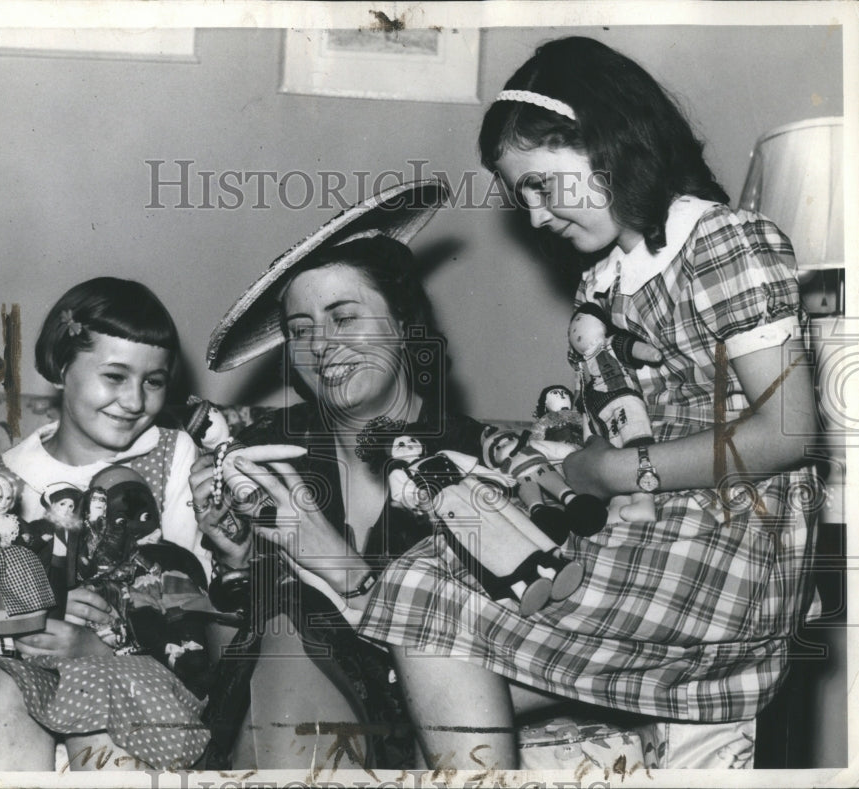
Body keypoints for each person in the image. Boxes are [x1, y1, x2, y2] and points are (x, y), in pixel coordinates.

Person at [342, 36, 821, 769]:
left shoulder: (724, 242)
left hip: (724, 550)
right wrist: (557, 457)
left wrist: (609, 473)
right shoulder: (604, 284)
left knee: (425, 597)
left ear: (604, 140)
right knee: (423, 607)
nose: (533, 218)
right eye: (519, 196)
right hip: (643, 533)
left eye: (539, 184)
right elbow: (612, 426)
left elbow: (788, 433)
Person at [193, 179, 516, 769]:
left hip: (426, 709)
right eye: (300, 330)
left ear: (402, 324)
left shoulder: (479, 461)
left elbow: (498, 648)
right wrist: (234, 561)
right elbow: (224, 659)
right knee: (288, 625)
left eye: (344, 317)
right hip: (284, 703)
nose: (322, 346)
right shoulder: (266, 451)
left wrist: (336, 565)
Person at [0, 276, 213, 771]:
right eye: (114, 376)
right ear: (60, 366)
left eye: (153, 382)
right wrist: (36, 616)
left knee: (105, 708)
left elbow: (186, 594)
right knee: (2, 691)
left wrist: (102, 646)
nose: (134, 401)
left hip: (132, 664)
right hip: (17, 663)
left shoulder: (173, 457)